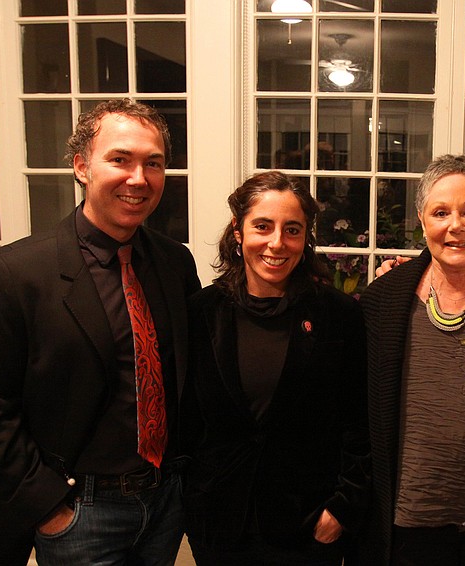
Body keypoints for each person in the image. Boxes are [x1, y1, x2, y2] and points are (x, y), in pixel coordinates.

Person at [0, 98, 201, 565]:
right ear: (82, 166)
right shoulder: (15, 274)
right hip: (80, 512)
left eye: (153, 163)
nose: (138, 178)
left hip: (165, 502)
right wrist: (50, 508)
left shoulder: (175, 263)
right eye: (120, 159)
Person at [181, 171, 371, 565]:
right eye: (263, 226)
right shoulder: (201, 312)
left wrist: (342, 507)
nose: (277, 243)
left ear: (305, 238)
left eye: (292, 230)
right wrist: (191, 499)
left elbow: (360, 422)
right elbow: (186, 420)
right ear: (238, 231)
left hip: (307, 526)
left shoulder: (338, 315)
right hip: (219, 524)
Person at [359, 154, 465, 565]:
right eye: (441, 212)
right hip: (401, 532)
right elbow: (357, 416)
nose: (456, 225)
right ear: (421, 219)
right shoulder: (383, 300)